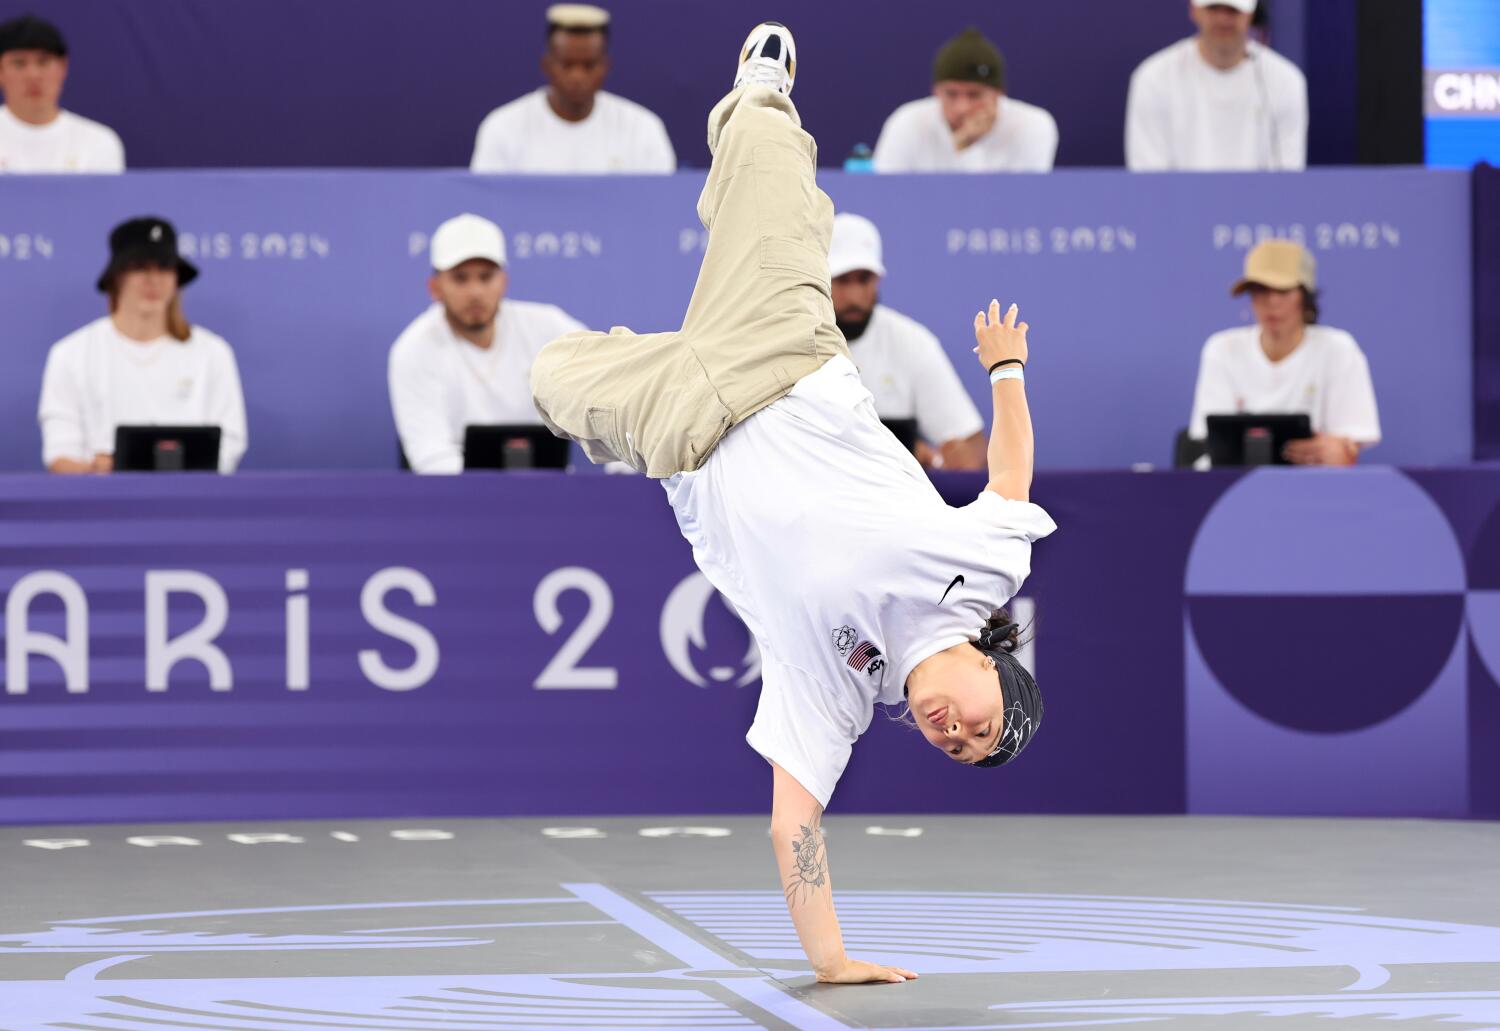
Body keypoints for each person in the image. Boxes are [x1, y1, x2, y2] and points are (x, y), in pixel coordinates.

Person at [531, 23, 1054, 984]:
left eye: (960, 750)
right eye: (982, 725)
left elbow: (794, 825)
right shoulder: (986, 574)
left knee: (548, 376)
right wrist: (1007, 371)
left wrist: (832, 958)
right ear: (991, 668)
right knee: (771, 170)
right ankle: (763, 87)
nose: (956, 734)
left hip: (686, 431)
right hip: (783, 357)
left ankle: (635, 370)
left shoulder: (840, 694)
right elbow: (1011, 482)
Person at [39, 218, 247, 473]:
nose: (153, 280)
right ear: (116, 277)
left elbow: (229, 448)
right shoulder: (71, 354)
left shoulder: (213, 353)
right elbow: (60, 455)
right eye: (139, 267)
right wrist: (98, 468)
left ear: (176, 278)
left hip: (191, 504)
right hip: (103, 503)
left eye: (164, 267)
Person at [389, 213, 586, 474]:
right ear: (435, 287)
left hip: (550, 495)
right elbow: (430, 456)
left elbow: (608, 386)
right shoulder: (413, 350)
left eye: (485, 277)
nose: (475, 292)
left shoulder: (548, 327)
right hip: (458, 504)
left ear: (503, 282)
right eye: (460, 278)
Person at [1189, 239, 1380, 465]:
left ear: (1305, 295)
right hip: (1234, 490)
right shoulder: (1222, 348)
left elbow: (1348, 447)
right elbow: (1212, 440)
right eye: (1260, 289)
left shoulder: (1338, 349)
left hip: (1312, 488)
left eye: (1283, 290)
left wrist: (1340, 453)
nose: (1272, 301)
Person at [830, 212, 986, 469]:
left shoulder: (912, 342)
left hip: (894, 503)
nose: (855, 295)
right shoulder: (792, 341)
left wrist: (935, 462)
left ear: (878, 279)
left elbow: (971, 451)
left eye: (864, 279)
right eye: (843, 280)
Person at [470, 4, 675, 174]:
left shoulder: (642, 129)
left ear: (605, 67)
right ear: (547, 65)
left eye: (589, 66)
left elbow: (657, 206)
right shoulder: (502, 127)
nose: (577, 76)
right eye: (567, 65)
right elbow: (487, 208)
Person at [1125, 0, 1306, 171]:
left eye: (1232, 10)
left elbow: (1286, 177)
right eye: (1213, 8)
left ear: (1252, 14)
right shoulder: (1153, 78)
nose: (1222, 19)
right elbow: (1148, 178)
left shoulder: (1286, 81)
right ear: (1194, 10)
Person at [872, 27, 1057, 173]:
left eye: (974, 95)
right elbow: (884, 194)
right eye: (951, 94)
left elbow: (1025, 202)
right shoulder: (907, 122)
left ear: (999, 93)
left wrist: (967, 145)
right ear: (935, 91)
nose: (962, 108)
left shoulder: (1033, 125)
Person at [0, 13, 124, 173]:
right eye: (19, 63)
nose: (33, 75)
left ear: (63, 67)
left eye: (43, 62)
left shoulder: (98, 142)